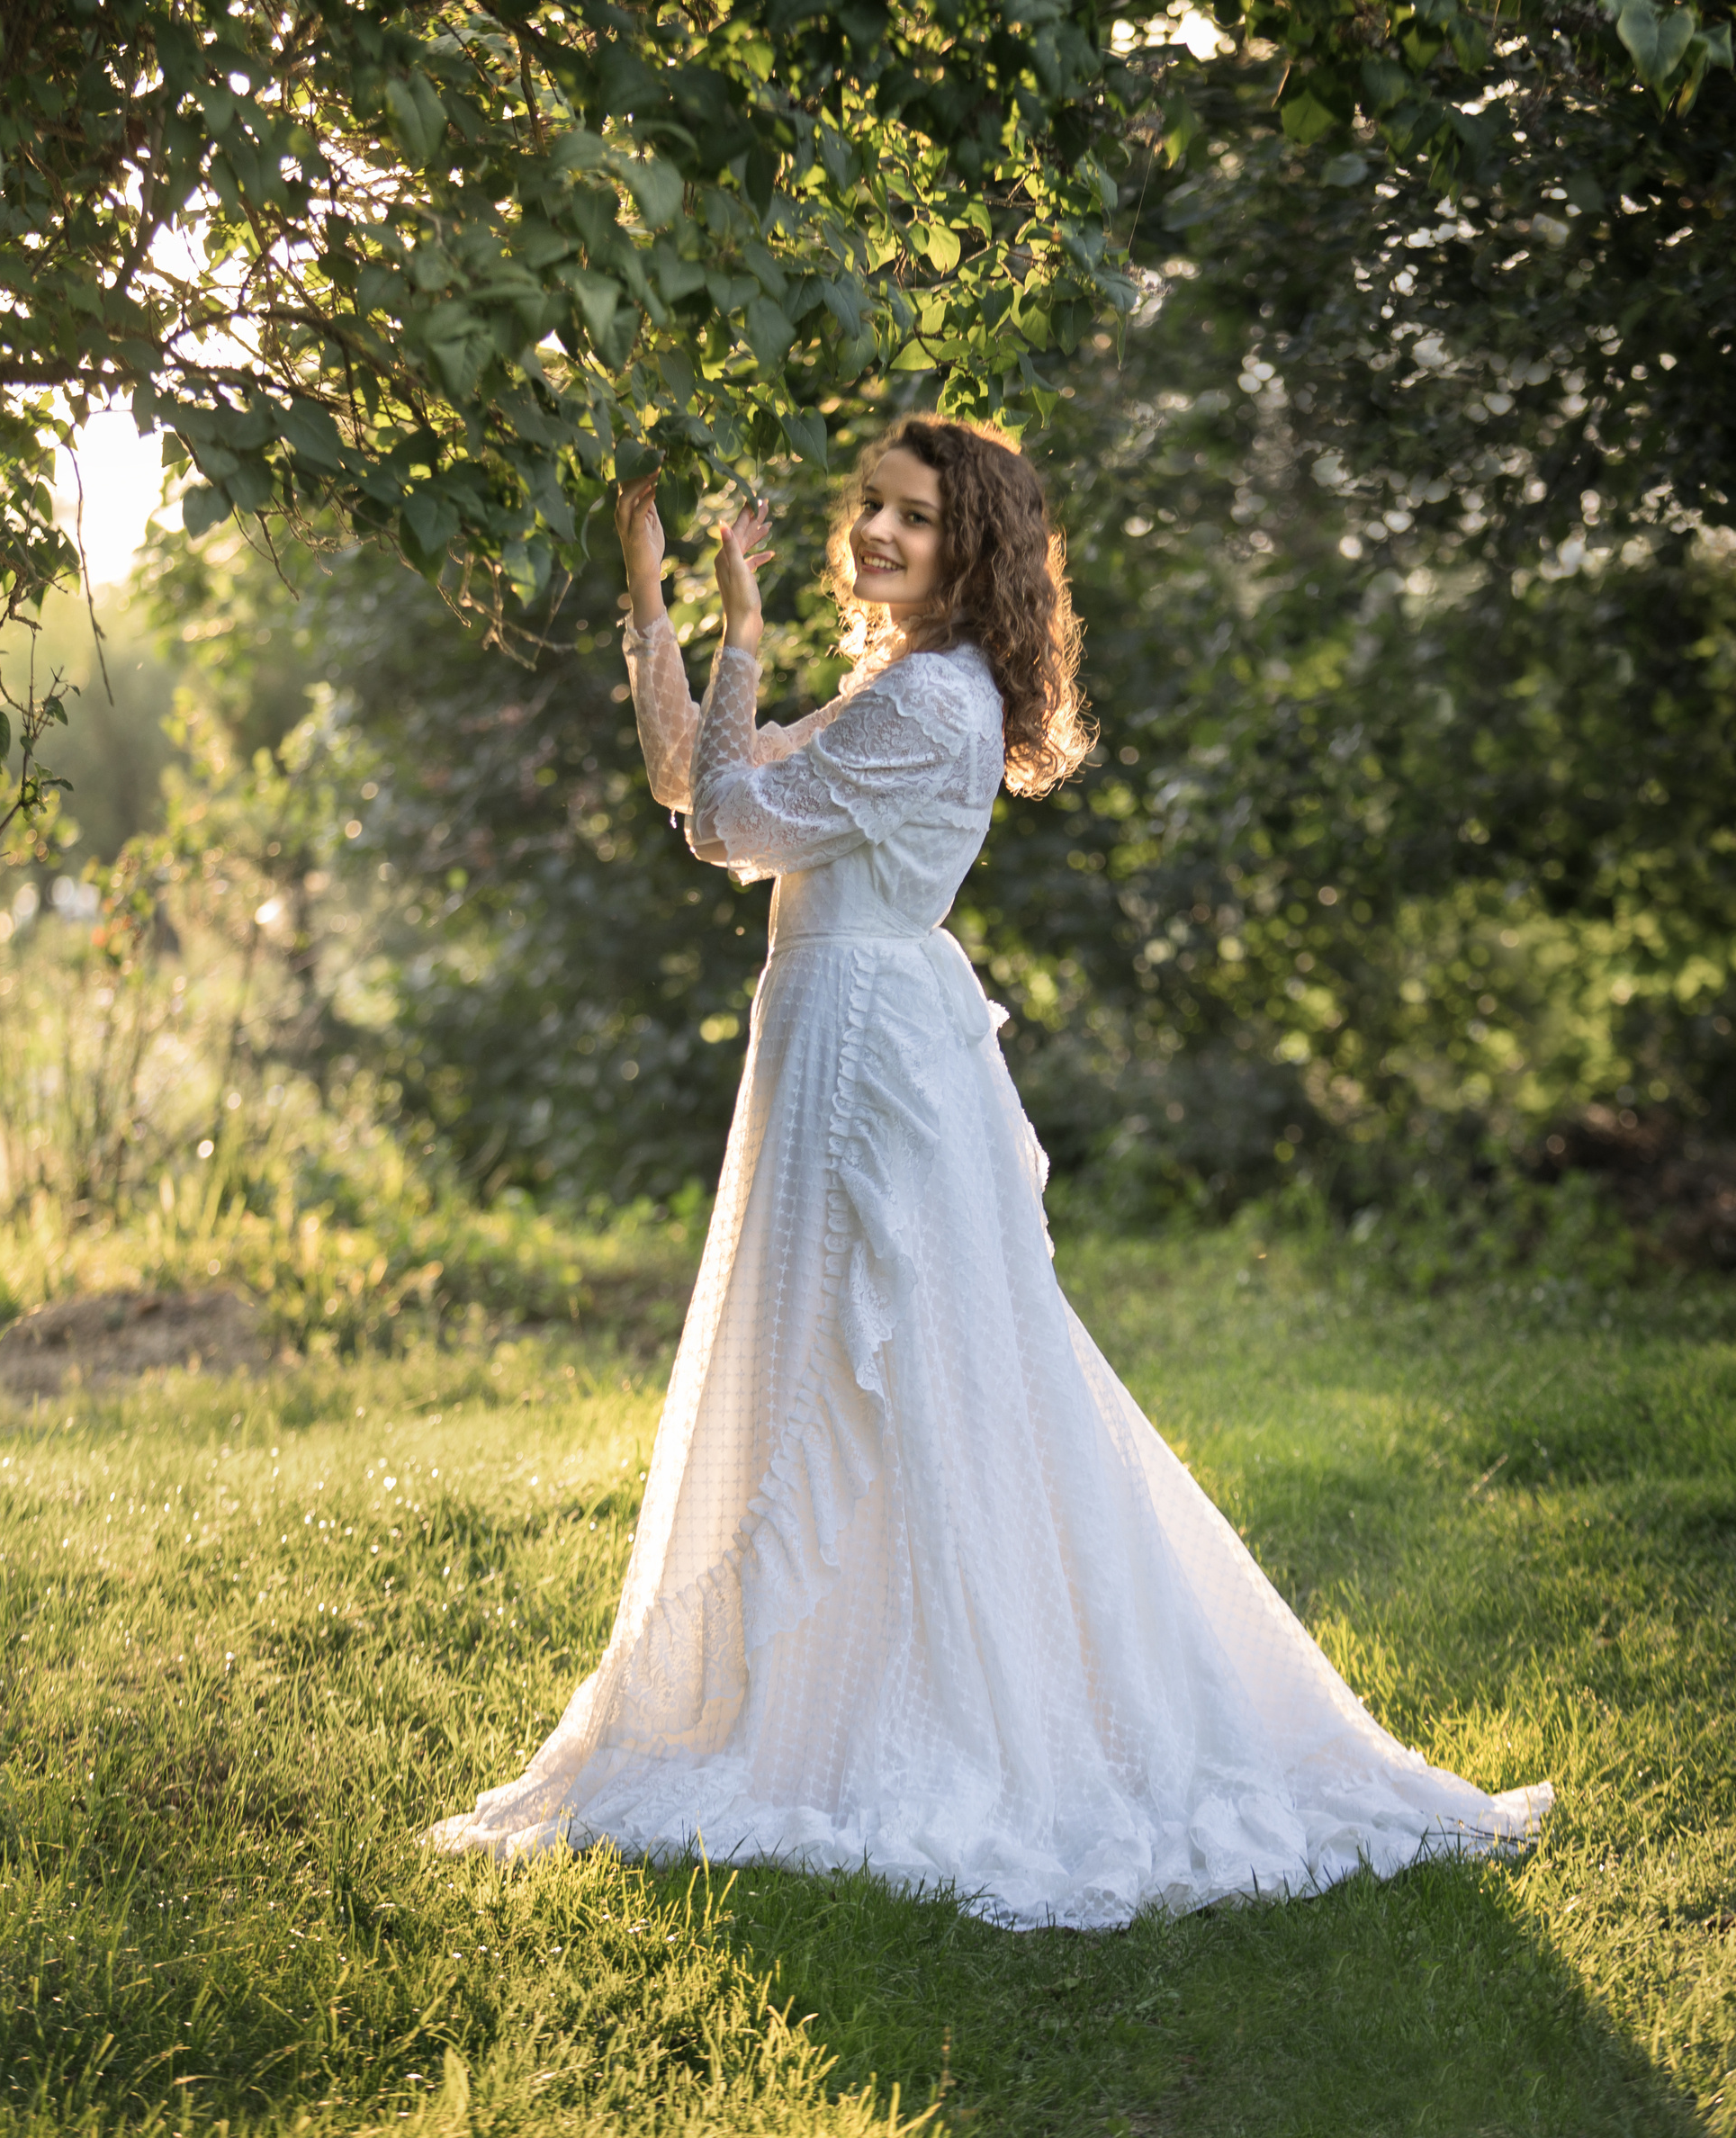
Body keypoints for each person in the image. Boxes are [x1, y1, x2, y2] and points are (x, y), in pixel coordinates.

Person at [427, 418, 1550, 1927]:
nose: (878, 534)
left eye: (915, 518)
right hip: (834, 1033)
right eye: (870, 509)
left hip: (870, 1061)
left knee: (905, 1363)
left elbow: (726, 822)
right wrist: (654, 594)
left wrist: (744, 627)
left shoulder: (937, 710)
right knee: (842, 1367)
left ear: (977, 550)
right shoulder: (897, 688)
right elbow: (698, 783)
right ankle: (822, 1684)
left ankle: (963, 1713)